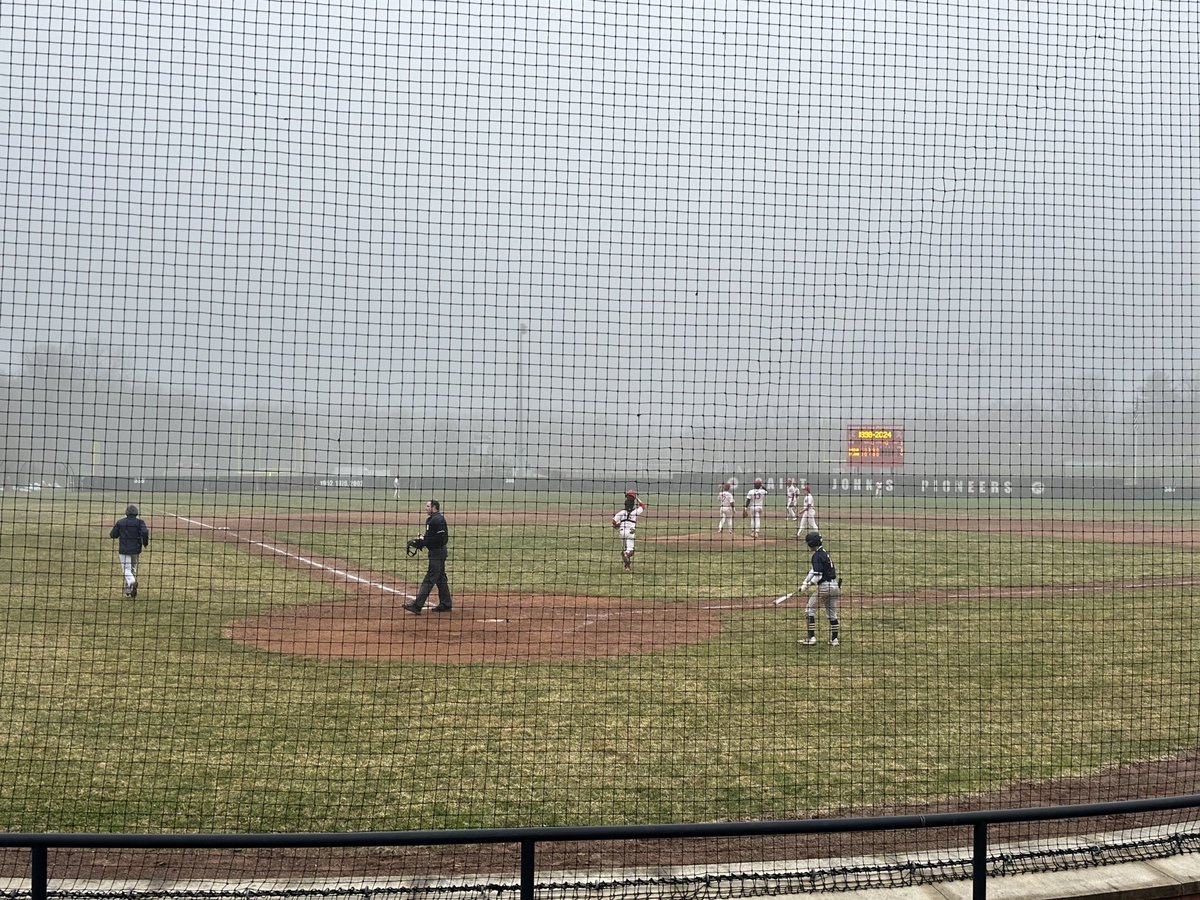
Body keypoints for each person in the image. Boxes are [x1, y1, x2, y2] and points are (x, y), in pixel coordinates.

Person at [403, 499, 452, 614]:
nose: (425, 508)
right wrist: (422, 540)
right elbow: (431, 537)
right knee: (440, 578)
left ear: (434, 507)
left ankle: (417, 605)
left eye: (427, 506)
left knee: (430, 578)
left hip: (437, 553)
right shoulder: (432, 519)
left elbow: (440, 538)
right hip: (437, 551)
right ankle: (446, 603)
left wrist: (422, 542)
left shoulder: (437, 519)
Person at [799, 532, 840, 646]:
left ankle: (811, 638)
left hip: (825, 587)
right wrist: (805, 582)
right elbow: (813, 571)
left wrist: (808, 585)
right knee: (832, 614)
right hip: (835, 587)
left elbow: (818, 575)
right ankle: (834, 640)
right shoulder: (823, 553)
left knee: (809, 610)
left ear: (812, 544)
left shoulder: (816, 556)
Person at [109, 504, 150, 598]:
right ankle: (129, 591)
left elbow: (113, 535)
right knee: (132, 569)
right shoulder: (140, 522)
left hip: (124, 550)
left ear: (126, 513)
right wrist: (145, 543)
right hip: (136, 549)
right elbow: (145, 532)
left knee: (126, 570)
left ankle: (132, 582)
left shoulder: (120, 522)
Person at [612, 489, 647, 570]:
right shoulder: (635, 512)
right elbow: (643, 506)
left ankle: (627, 566)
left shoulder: (622, 512)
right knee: (630, 551)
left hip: (622, 532)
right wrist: (636, 497)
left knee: (625, 549)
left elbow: (613, 522)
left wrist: (618, 525)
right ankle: (626, 554)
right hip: (631, 532)